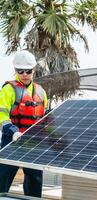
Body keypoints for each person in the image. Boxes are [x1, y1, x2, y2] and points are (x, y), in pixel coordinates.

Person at [0, 50, 48, 197]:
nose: (24, 74)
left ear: (33, 70)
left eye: (28, 71)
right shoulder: (8, 89)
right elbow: (2, 115)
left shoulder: (41, 92)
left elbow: (45, 119)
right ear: (15, 70)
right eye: (20, 71)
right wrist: (13, 130)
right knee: (3, 179)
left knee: (35, 181)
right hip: (12, 140)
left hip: (33, 143)